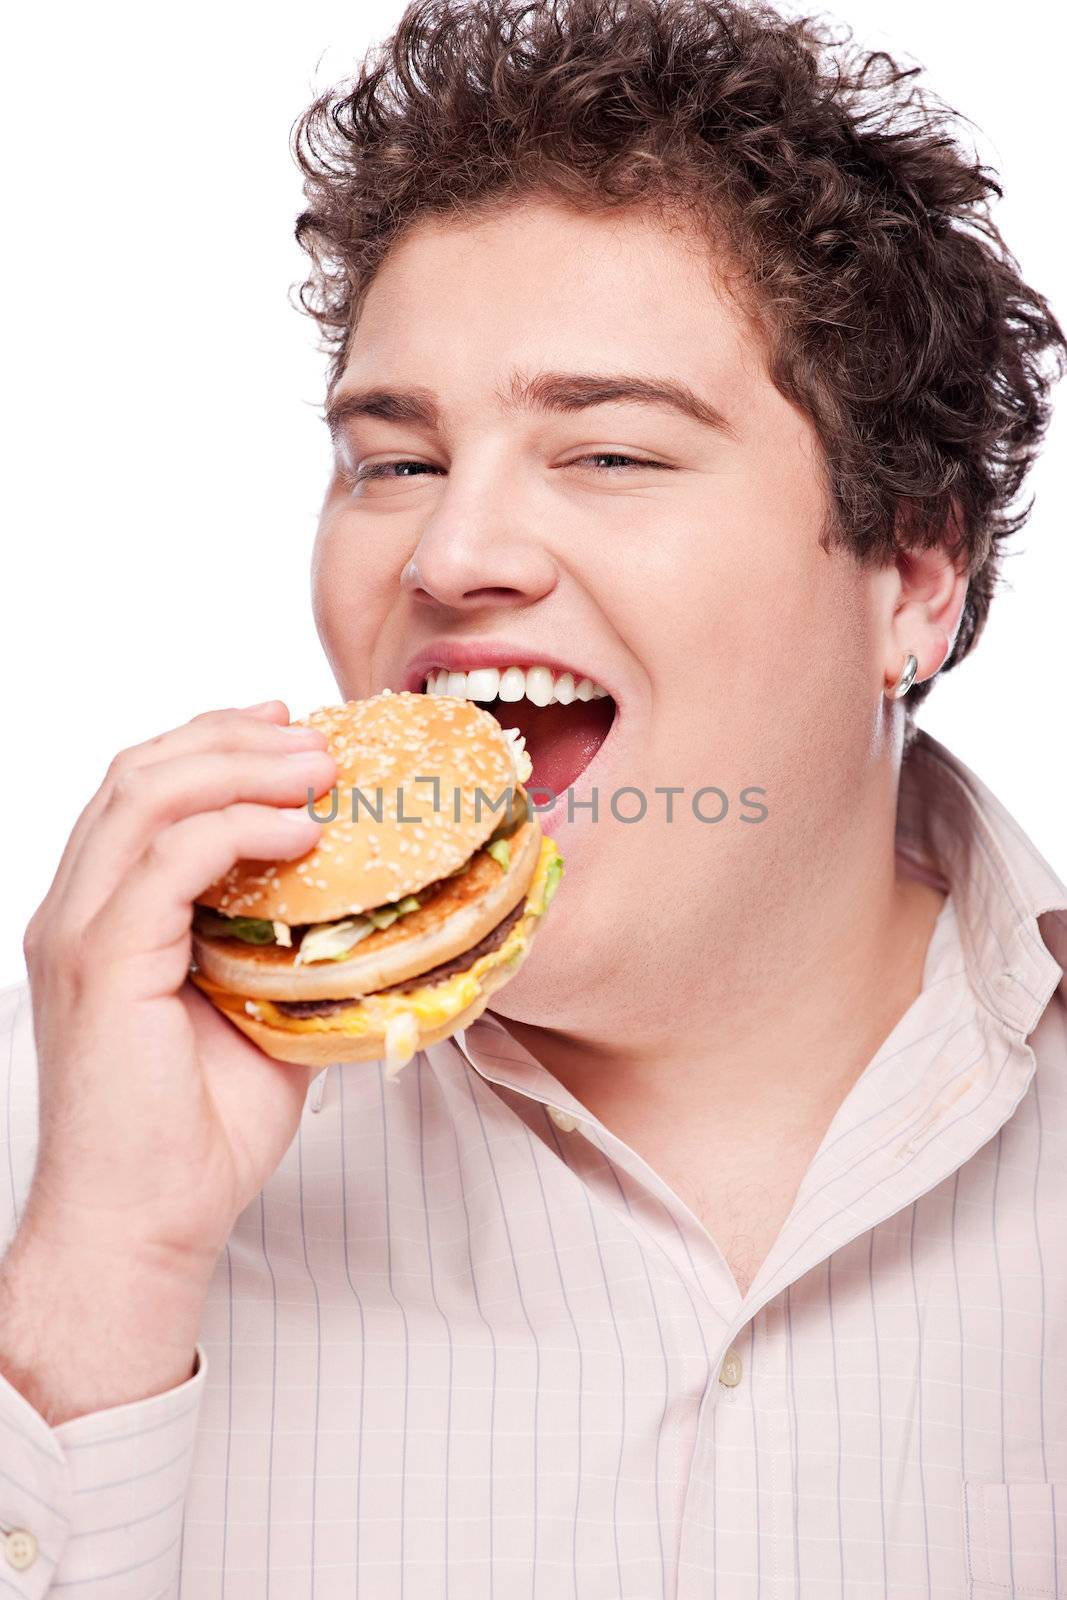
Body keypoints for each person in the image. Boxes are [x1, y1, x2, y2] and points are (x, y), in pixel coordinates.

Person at [1, 0, 1065, 1594]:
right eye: (396, 461)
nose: (446, 556)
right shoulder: (67, 1146)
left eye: (611, 456)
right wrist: (100, 1295)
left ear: (912, 576)